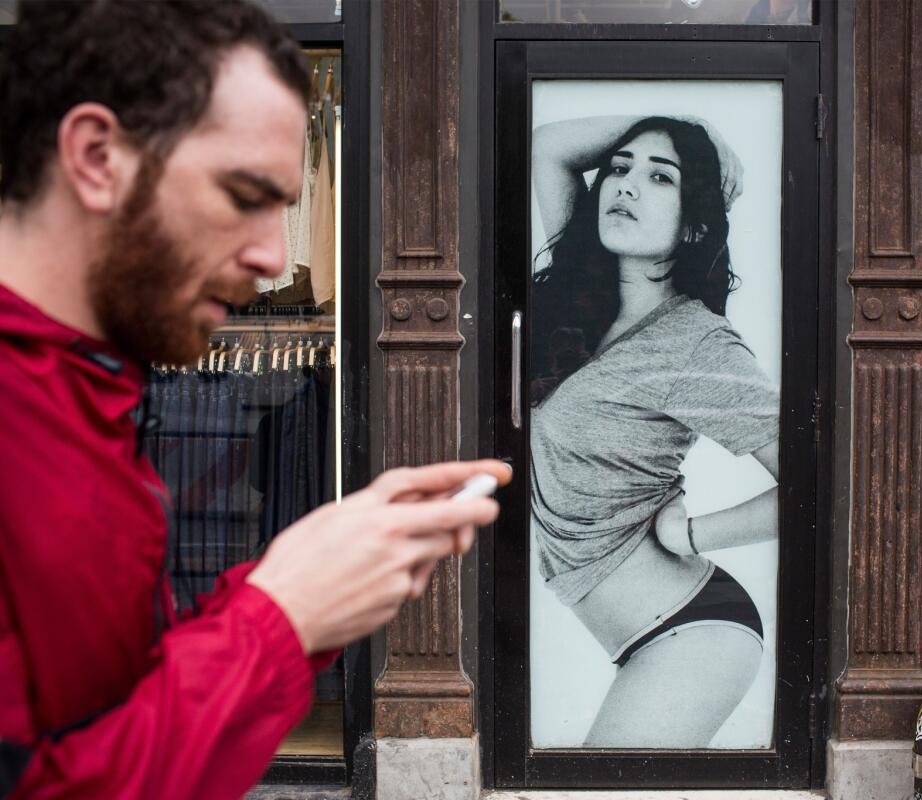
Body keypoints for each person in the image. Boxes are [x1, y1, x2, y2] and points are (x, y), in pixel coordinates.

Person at [0, 2, 508, 797]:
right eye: (244, 195)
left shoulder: (84, 396)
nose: (276, 258)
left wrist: (309, 583)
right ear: (97, 156)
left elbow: (114, 719)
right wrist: (278, 617)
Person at [529, 115, 780, 746]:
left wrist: (695, 533)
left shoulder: (697, 344)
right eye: (619, 168)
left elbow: (831, 482)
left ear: (695, 225)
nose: (627, 185)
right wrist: (687, 127)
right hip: (641, 630)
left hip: (693, 634)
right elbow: (549, 147)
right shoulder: (581, 302)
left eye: (660, 177)